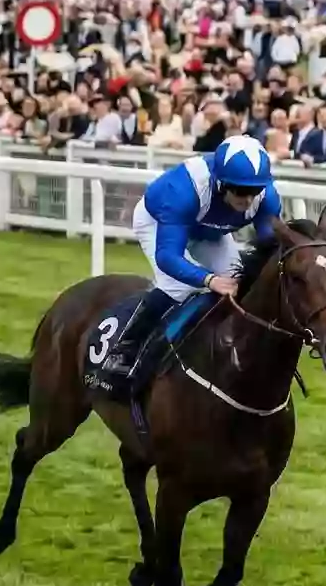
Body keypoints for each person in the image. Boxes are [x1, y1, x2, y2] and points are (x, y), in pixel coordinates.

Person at [100, 136, 284, 400]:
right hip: (159, 222)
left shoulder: (266, 197)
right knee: (180, 285)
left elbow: (270, 247)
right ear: (221, 184)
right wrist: (209, 279)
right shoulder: (185, 189)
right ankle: (123, 349)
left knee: (239, 282)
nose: (247, 199)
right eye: (239, 191)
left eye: (253, 192)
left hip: (210, 231)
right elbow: (168, 256)